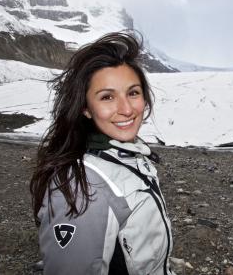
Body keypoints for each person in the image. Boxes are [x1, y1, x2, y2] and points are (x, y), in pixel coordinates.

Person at [30, 32, 175, 275]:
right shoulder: (82, 187)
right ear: (85, 108)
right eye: (107, 97)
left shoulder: (128, 155)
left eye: (133, 92)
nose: (127, 109)